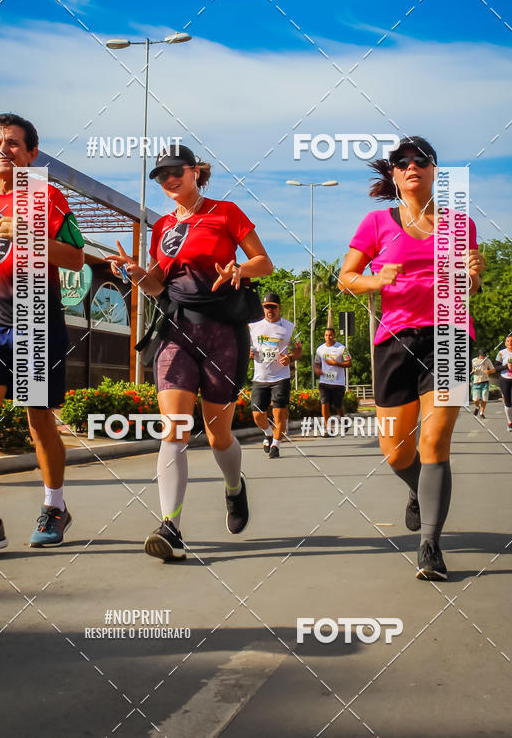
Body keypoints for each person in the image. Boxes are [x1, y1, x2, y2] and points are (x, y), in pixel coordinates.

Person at [106, 144, 273, 561]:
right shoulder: (161, 226)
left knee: (219, 436)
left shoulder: (226, 212)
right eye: (160, 176)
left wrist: (240, 269)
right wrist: (137, 273)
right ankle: (171, 527)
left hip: (223, 333)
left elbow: (264, 263)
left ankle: (234, 488)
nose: (168, 179)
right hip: (176, 331)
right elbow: (158, 287)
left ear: (196, 171)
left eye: (175, 171)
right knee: (175, 428)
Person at [338, 136, 485, 581]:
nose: (412, 166)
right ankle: (418, 489)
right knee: (396, 451)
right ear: (394, 174)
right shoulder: (377, 222)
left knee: (434, 442)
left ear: (434, 170)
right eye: (402, 162)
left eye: (421, 160)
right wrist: (376, 280)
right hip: (395, 341)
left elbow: (468, 288)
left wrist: (473, 279)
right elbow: (346, 278)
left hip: (452, 337)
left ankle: (430, 547)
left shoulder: (461, 224)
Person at [0, 113, 85, 554]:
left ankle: (55, 507)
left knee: (37, 418)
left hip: (35, 319)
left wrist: (30, 234)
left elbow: (76, 258)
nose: (1, 149)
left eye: (12, 143)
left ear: (31, 154)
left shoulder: (46, 195)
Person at [249, 293, 301, 459]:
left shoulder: (290, 327)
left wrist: (291, 358)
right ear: (263, 308)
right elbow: (246, 346)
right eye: (267, 306)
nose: (270, 310)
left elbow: (298, 348)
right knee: (257, 415)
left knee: (279, 414)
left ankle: (276, 446)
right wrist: (248, 352)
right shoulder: (253, 327)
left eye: (273, 306)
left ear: (279, 308)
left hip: (280, 378)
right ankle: (268, 433)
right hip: (260, 378)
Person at [314, 327, 351, 429]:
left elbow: (349, 363)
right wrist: (317, 369)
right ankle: (327, 428)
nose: (328, 337)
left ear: (334, 336)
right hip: (324, 381)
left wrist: (337, 363)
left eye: (330, 335)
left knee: (337, 405)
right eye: (326, 335)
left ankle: (343, 420)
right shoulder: (320, 349)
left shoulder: (342, 348)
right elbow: (316, 363)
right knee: (324, 403)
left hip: (338, 382)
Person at [471, 350, 495, 418]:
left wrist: (488, 371)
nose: (482, 357)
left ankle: (482, 412)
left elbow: (493, 370)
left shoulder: (487, 360)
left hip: (485, 381)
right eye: (481, 355)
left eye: (483, 355)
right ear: (479, 355)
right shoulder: (474, 360)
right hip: (476, 381)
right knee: (475, 399)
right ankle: (477, 407)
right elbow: (472, 368)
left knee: (484, 399)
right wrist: (473, 370)